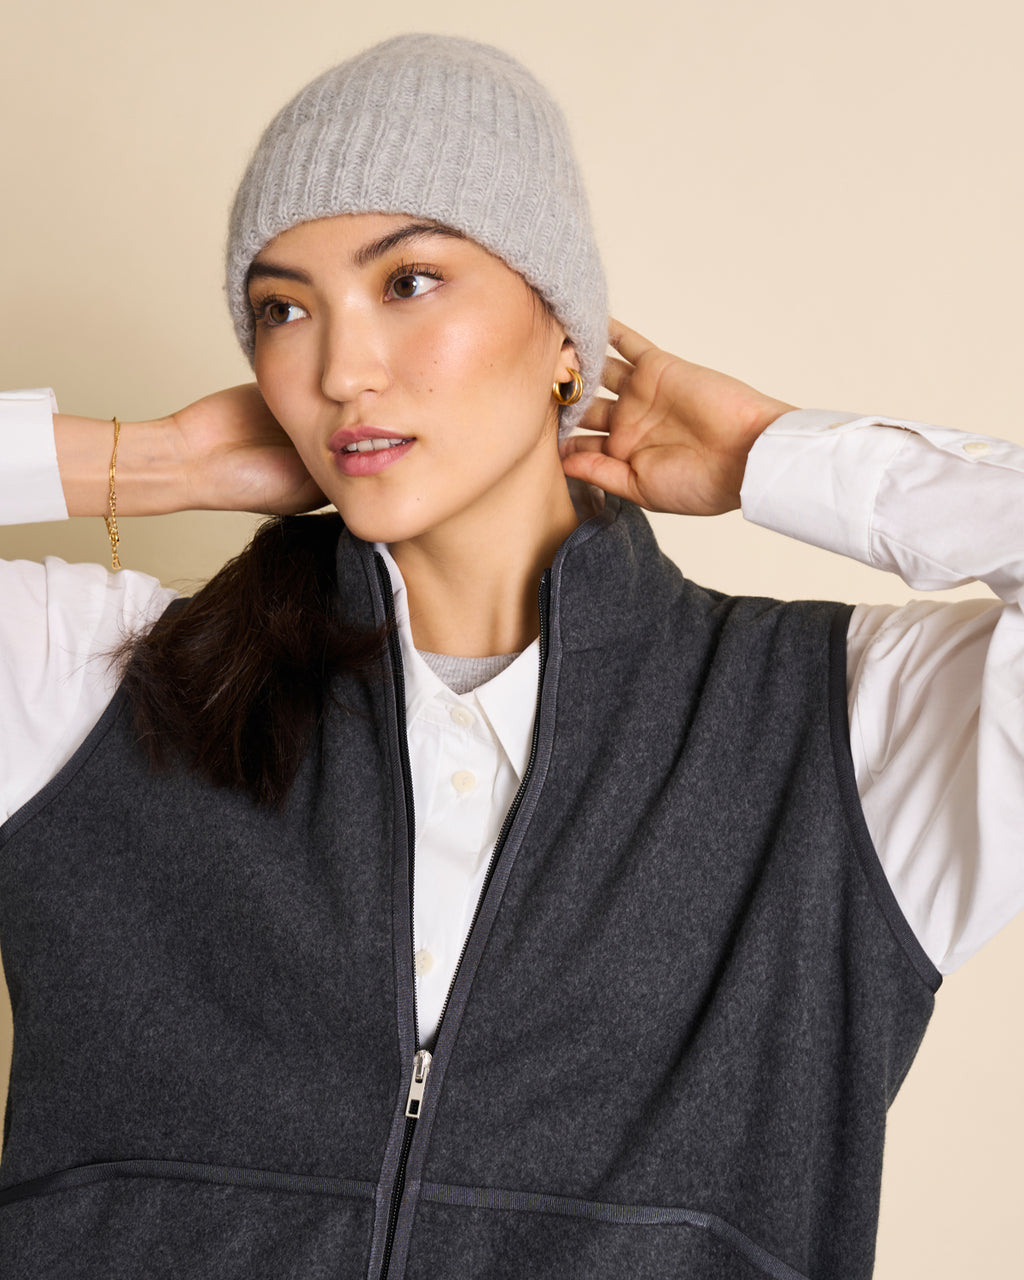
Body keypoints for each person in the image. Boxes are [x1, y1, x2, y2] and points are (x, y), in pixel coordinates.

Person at [0, 31, 1021, 1280]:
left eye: (411, 280)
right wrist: (144, 460)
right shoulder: (103, 692)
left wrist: (771, 452)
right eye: (283, 309)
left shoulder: (839, 737)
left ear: (561, 334)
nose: (339, 369)